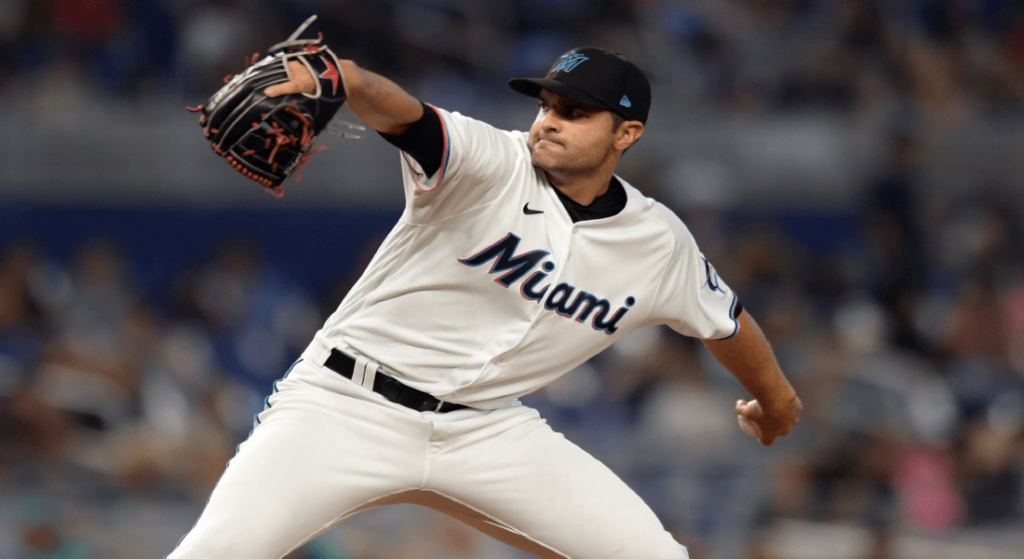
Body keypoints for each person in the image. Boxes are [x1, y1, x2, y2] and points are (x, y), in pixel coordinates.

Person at [168, 45, 802, 559]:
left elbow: (727, 322)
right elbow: (408, 117)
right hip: (344, 406)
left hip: (486, 428)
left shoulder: (658, 240)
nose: (549, 120)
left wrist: (776, 401)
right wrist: (350, 78)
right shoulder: (492, 160)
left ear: (626, 133)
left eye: (575, 112)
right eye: (548, 104)